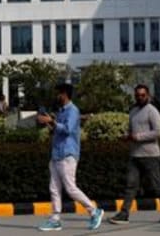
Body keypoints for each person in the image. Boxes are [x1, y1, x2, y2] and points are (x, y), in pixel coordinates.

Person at [35, 84, 104, 232]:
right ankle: (55, 219)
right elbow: (57, 130)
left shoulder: (73, 111)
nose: (56, 96)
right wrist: (48, 122)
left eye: (58, 93)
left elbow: (67, 130)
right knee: (54, 188)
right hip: (56, 154)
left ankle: (94, 211)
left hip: (67, 154)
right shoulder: (61, 111)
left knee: (71, 188)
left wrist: (51, 121)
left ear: (65, 94)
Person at [109, 85, 160, 225]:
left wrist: (138, 137)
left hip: (150, 155)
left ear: (148, 96)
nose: (140, 97)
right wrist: (126, 136)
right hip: (135, 154)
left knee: (157, 185)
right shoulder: (133, 111)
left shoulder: (152, 111)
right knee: (130, 185)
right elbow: (131, 130)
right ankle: (124, 214)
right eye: (137, 95)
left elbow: (158, 132)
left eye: (142, 95)